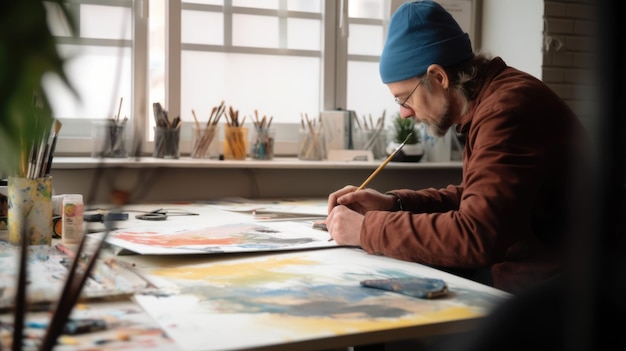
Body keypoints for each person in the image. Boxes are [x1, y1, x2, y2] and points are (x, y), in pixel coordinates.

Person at [325, 0, 586, 294]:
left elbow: (476, 235)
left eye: (404, 98)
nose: (404, 113)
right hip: (534, 273)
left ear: (438, 77)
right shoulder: (492, 101)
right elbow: (476, 198)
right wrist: (394, 203)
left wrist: (366, 230)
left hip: (568, 291)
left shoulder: (506, 110)